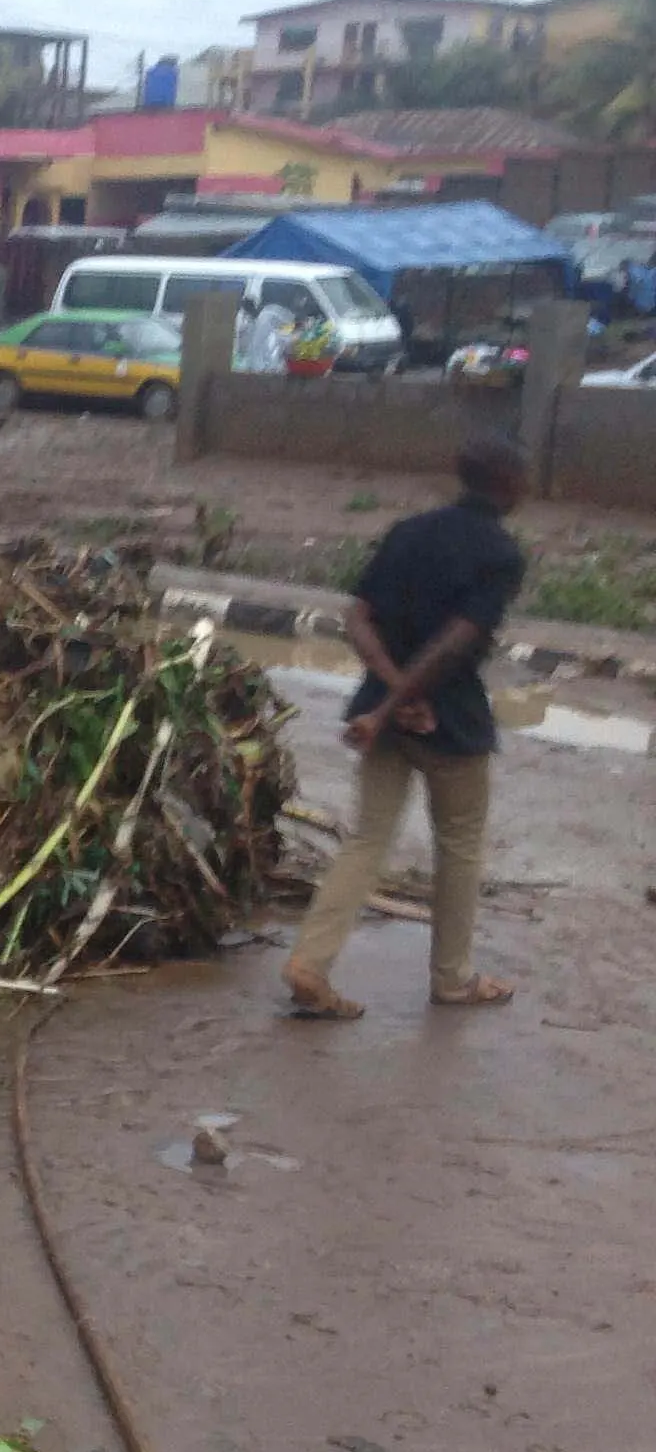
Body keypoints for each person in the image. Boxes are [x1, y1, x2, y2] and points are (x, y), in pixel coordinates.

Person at [283, 433, 529, 1019]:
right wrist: (406, 698)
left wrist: (389, 697)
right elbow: (456, 643)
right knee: (460, 846)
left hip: (384, 717)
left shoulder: (408, 532)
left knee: (367, 838)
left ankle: (309, 964)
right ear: (509, 485)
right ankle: (453, 980)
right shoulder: (500, 552)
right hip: (451, 717)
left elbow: (358, 615)